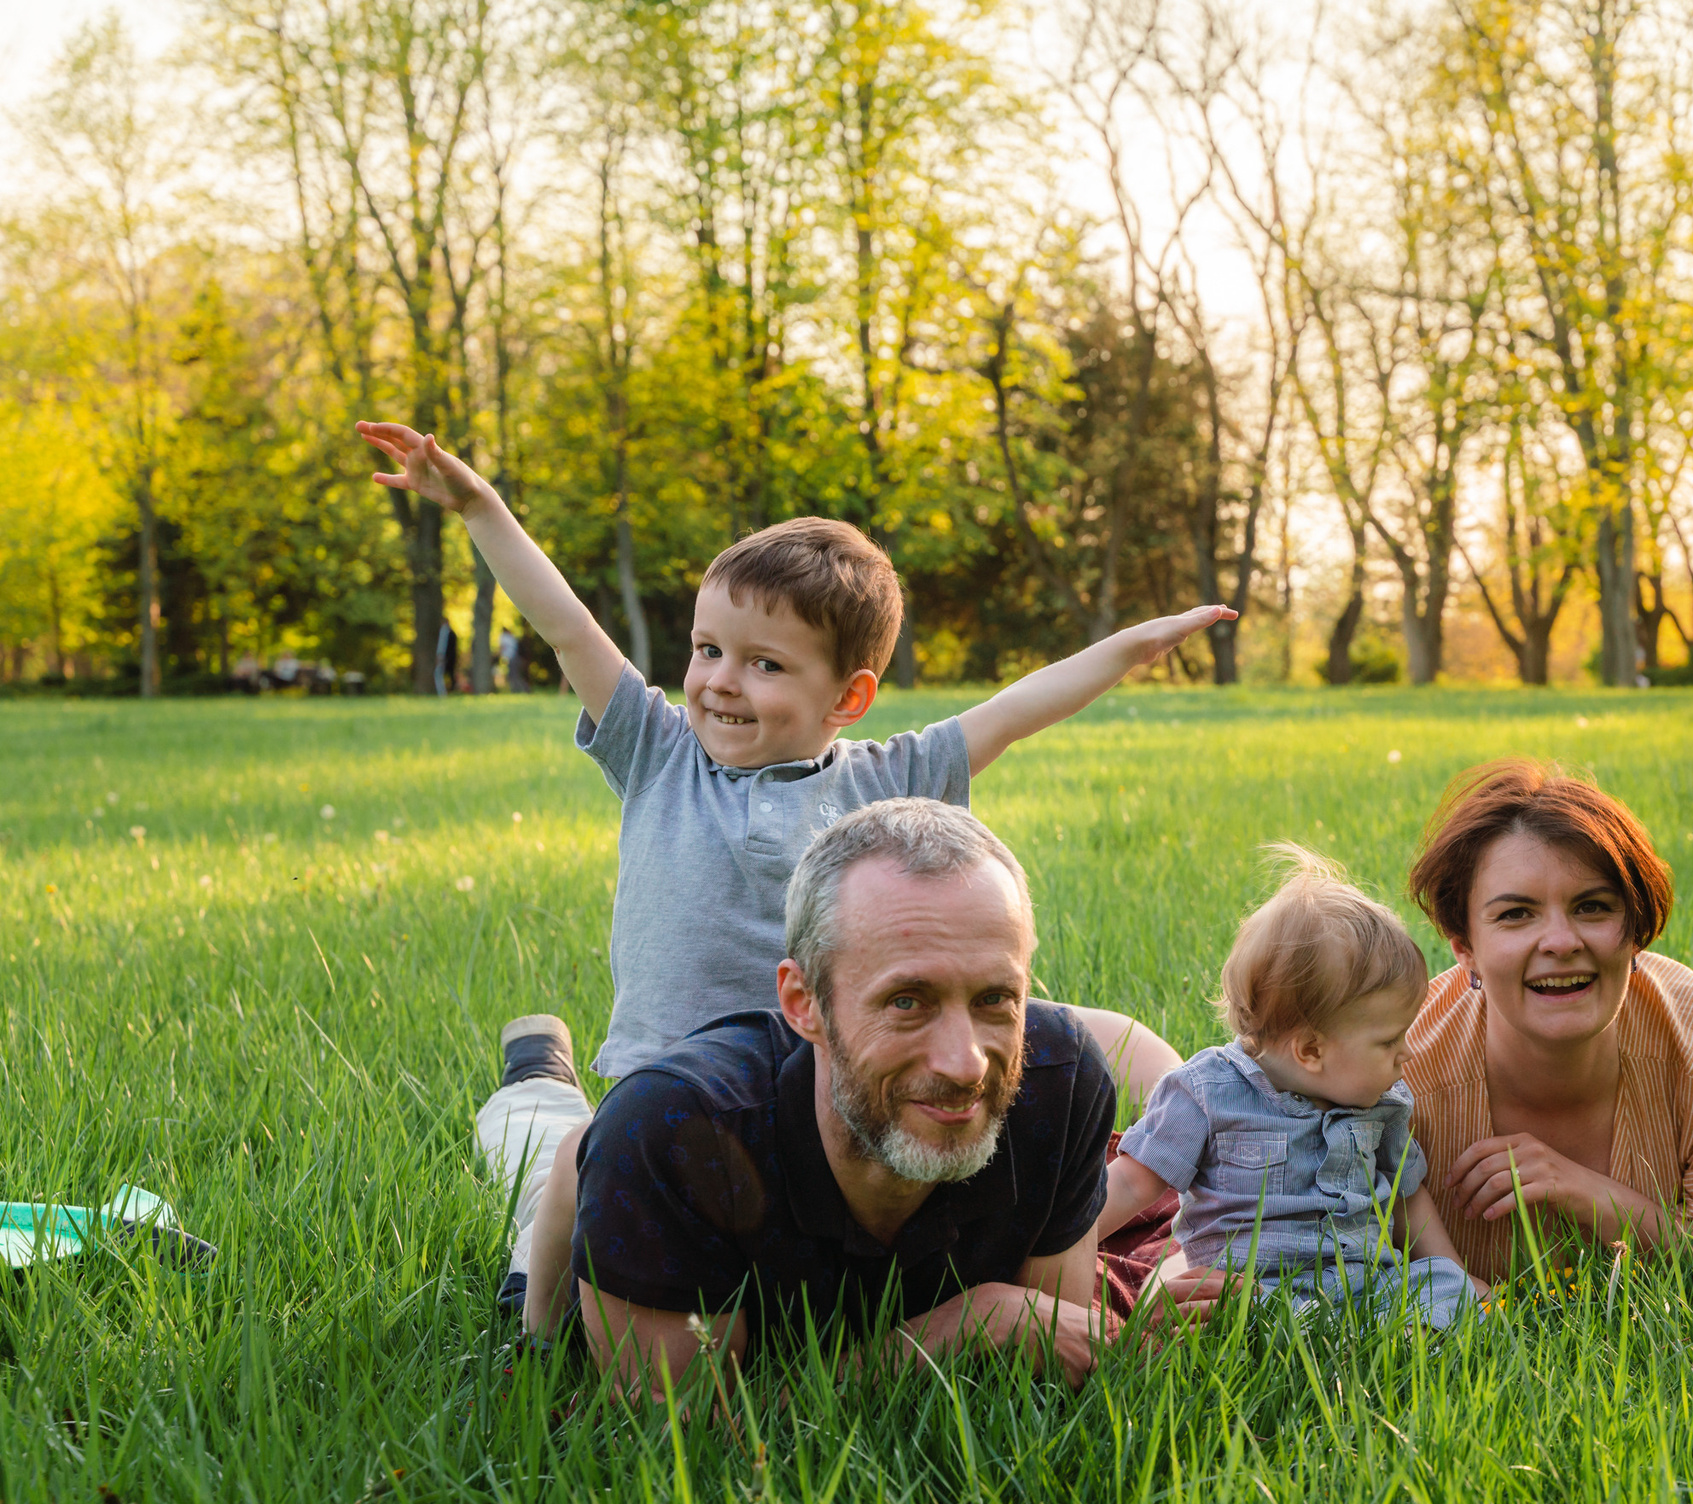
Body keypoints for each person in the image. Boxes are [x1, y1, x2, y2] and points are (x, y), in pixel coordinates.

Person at [355, 419, 1213, 1304]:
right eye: (707, 650)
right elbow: (568, 626)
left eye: (763, 663)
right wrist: (480, 507)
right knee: (563, 1166)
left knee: (1105, 1035)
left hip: (824, 1095)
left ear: (848, 696)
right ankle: (533, 1163)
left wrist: (1135, 647)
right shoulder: (659, 752)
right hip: (676, 1100)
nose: (720, 681)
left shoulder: (891, 778)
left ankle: (1209, 1134)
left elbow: (1017, 707)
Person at [509, 799, 1213, 1396]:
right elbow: (693, 1438)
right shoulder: (669, 1141)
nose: (966, 1065)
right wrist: (966, 1324)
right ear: (803, 1000)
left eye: (996, 997)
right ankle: (537, 1082)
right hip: (597, 1198)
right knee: (557, 1153)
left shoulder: (1059, 1087)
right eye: (908, 1001)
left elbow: (1043, 1364)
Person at [1398, 760, 1693, 1281]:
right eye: (1516, 914)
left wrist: (1586, 1191)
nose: (1561, 941)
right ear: (1465, 948)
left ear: (1636, 929)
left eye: (1593, 907)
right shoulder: (1396, 1066)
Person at [1094, 848, 1485, 1329]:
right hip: (1254, 1290)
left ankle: (1374, 1337)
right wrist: (1058, 1256)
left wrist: (1458, 1275)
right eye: (1388, 1041)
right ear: (1311, 1051)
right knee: (1221, 1315)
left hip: (1364, 1286)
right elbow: (1133, 1182)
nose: (1408, 1053)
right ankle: (1323, 1343)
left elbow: (1407, 1196)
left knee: (1446, 1288)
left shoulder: (1383, 1103)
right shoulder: (1205, 1092)